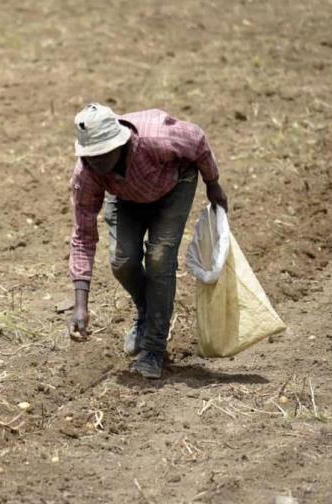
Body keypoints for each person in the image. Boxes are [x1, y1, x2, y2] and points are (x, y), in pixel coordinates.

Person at [68, 103, 228, 379]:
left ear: (120, 144)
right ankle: (148, 312)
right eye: (90, 157)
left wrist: (213, 182)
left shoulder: (157, 140)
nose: (96, 163)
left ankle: (154, 348)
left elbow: (198, 140)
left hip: (173, 185)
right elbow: (83, 235)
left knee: (159, 257)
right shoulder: (88, 173)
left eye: (102, 155)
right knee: (122, 261)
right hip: (126, 198)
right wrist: (80, 305)